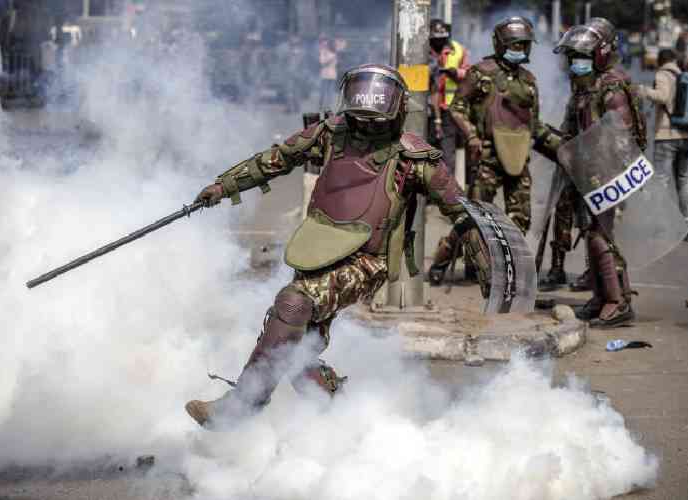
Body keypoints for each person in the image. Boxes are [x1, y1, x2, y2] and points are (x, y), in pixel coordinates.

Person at [185, 64, 489, 429]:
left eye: (374, 118)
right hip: (318, 248)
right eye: (358, 114)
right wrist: (223, 187)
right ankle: (344, 418)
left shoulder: (415, 158)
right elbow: (277, 158)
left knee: (293, 303)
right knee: (296, 347)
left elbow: (464, 213)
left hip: (367, 261)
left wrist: (488, 268)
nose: (364, 126)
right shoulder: (332, 133)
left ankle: (240, 408)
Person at [428, 16, 563, 286]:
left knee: (519, 219)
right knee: (474, 218)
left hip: (517, 157)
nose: (521, 50)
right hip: (487, 159)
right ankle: (443, 258)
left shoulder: (528, 81)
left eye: (525, 45)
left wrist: (561, 148)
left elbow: (533, 125)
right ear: (501, 44)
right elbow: (457, 108)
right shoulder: (481, 73)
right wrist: (472, 137)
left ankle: (501, 270)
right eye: (516, 44)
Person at [553, 18, 648, 328]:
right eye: (573, 57)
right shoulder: (584, 85)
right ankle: (601, 294)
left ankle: (617, 302)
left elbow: (620, 136)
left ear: (601, 54)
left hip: (606, 173)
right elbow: (572, 127)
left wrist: (600, 169)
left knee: (599, 236)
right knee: (591, 232)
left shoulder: (612, 85)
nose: (576, 63)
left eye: (582, 56)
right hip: (585, 171)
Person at [637, 48, 688, 242]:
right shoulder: (686, 77)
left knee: (661, 182)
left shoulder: (662, 74)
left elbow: (662, 96)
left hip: (667, 135)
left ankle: (662, 227)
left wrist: (644, 90)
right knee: (683, 180)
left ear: (661, 61)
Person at [427, 18, 470, 175]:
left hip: (448, 109)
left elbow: (469, 74)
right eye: (435, 39)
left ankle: (446, 193)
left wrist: (454, 73)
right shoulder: (418, 50)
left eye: (442, 39)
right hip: (423, 110)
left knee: (447, 156)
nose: (439, 43)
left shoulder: (458, 50)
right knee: (421, 153)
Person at [318, 36, 337, 111]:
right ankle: (321, 104)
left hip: (332, 75)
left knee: (330, 92)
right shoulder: (323, 52)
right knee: (323, 91)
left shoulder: (334, 53)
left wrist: (330, 59)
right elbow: (322, 63)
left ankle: (328, 106)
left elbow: (335, 64)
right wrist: (329, 60)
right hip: (324, 74)